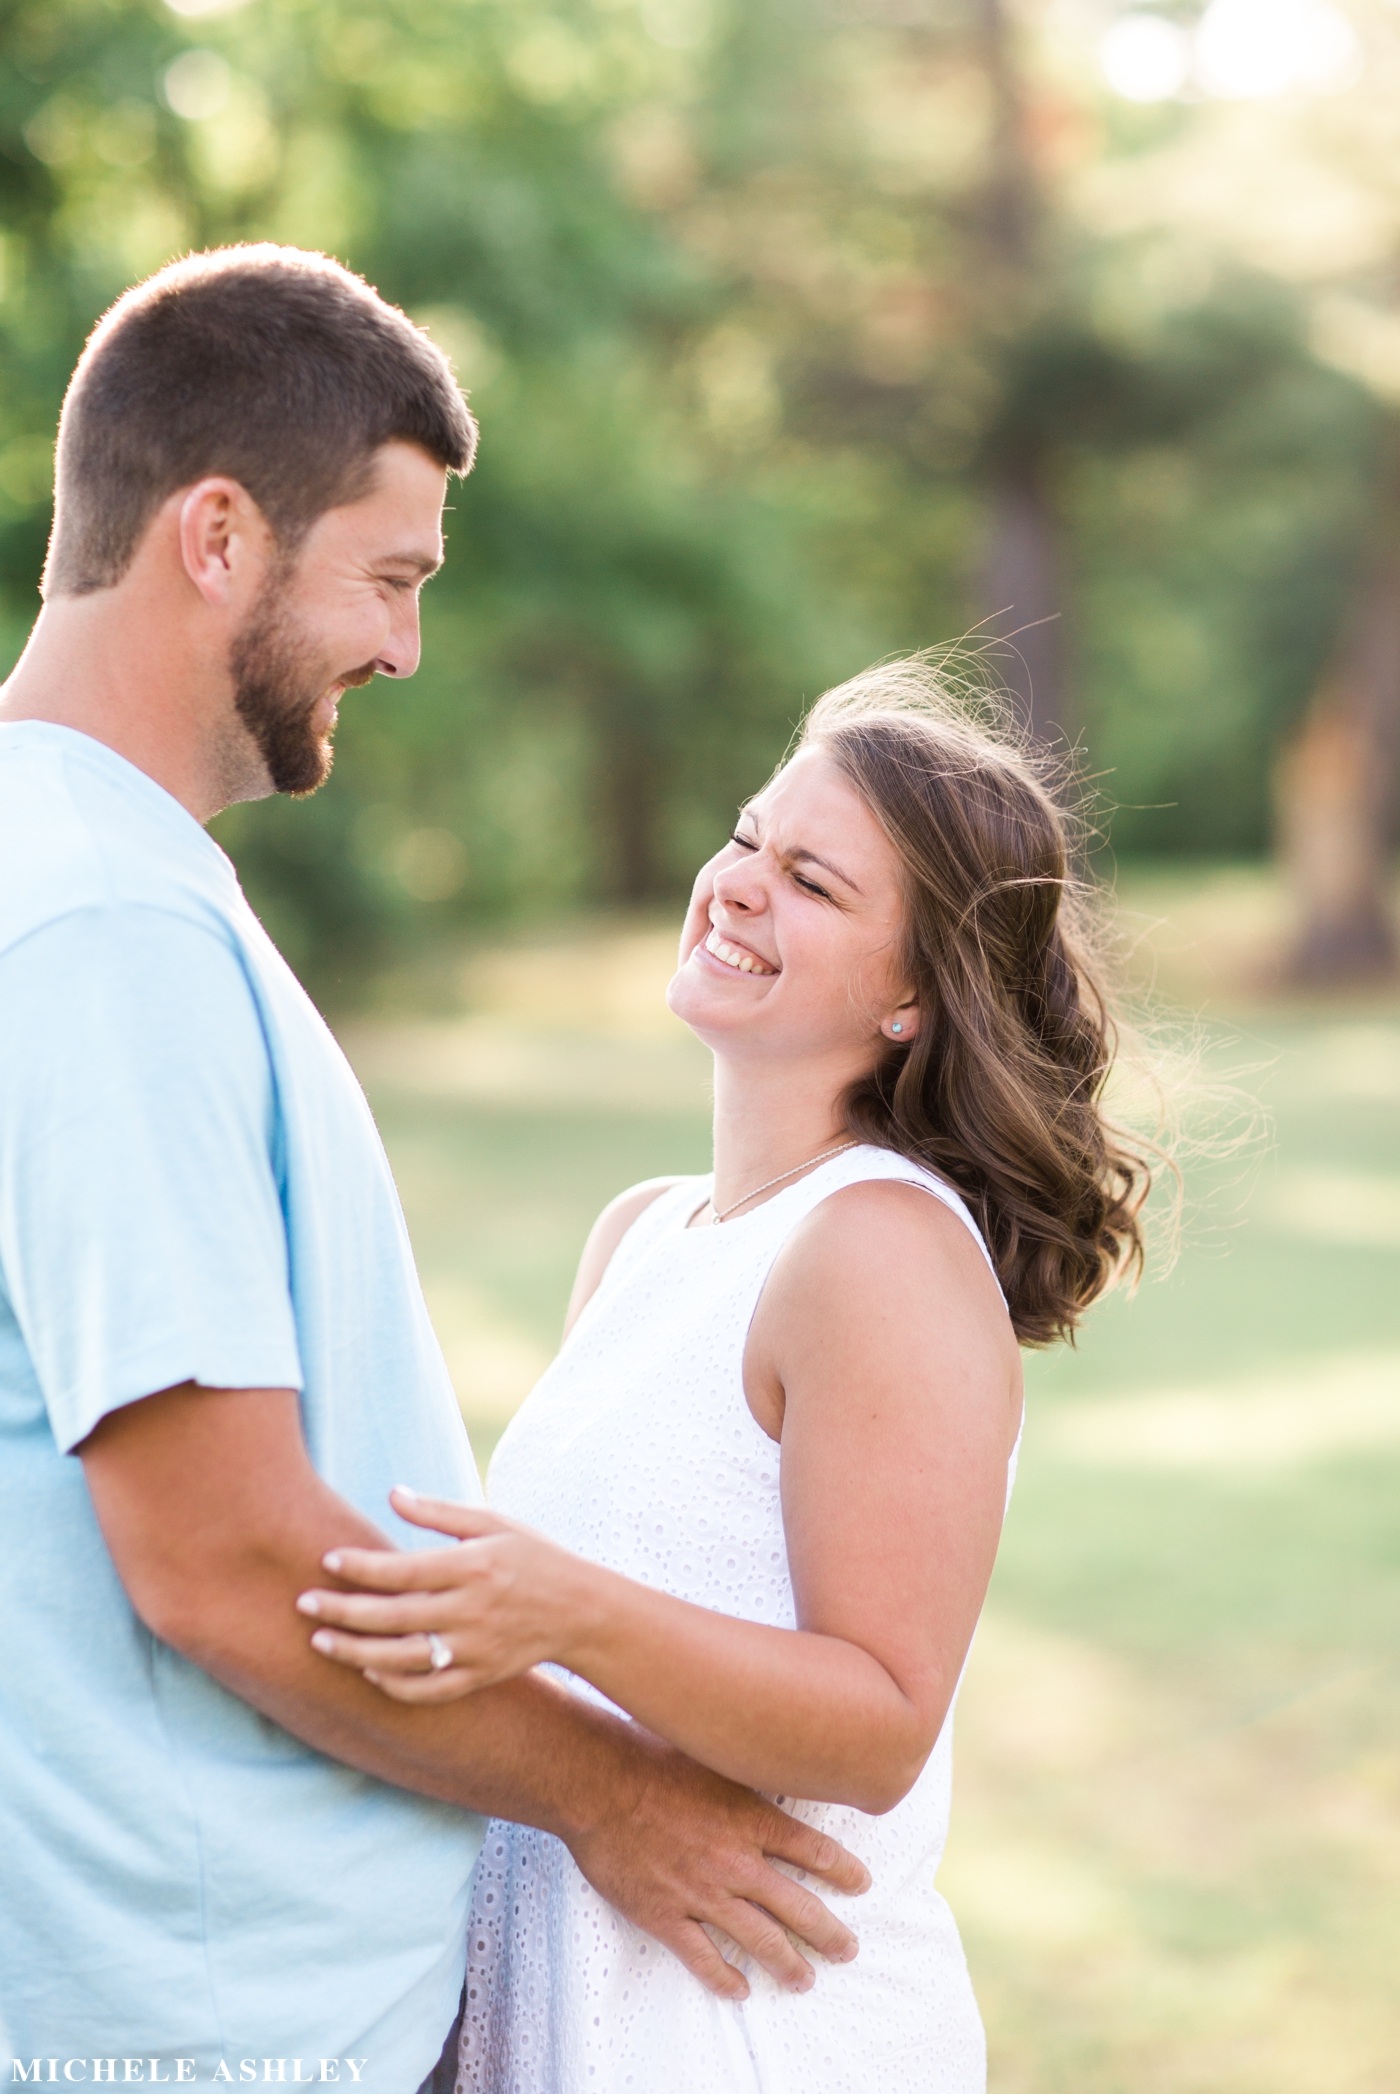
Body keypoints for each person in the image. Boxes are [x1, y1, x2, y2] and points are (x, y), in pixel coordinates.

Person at [0, 245, 867, 2094]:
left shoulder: (80, 870)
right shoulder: (96, 927)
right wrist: (617, 1800)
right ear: (217, 535)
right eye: (388, 579)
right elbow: (222, 1556)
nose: (403, 647)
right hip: (228, 2035)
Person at [296, 659, 1154, 2093]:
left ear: (911, 1001)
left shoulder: (879, 1247)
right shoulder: (641, 1231)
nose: (741, 882)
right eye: (751, 836)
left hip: (754, 2029)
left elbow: (879, 1720)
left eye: (815, 882)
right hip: (570, 2007)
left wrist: (561, 1608)